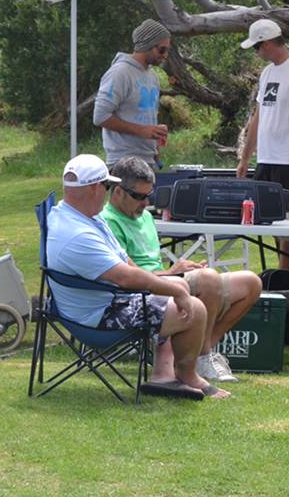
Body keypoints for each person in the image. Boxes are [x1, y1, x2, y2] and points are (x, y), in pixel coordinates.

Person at [46, 154, 227, 400]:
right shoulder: (78, 234)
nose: (108, 194)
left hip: (97, 300)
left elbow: (124, 261)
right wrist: (175, 291)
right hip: (97, 316)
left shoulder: (76, 216)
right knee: (194, 309)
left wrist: (170, 284)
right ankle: (187, 376)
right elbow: (124, 277)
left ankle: (163, 376)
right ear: (94, 188)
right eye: (106, 186)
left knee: (177, 285)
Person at [99, 156, 263, 384]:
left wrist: (175, 271)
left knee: (251, 283)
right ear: (118, 192)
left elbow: (151, 266)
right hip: (145, 290)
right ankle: (201, 359)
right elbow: (128, 276)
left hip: (166, 280)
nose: (146, 203)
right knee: (208, 278)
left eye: (149, 195)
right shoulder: (108, 222)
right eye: (139, 196)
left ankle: (206, 348)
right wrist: (172, 272)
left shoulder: (145, 216)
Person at [236, 18, 289, 268]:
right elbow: (258, 116)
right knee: (268, 218)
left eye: (256, 47)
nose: (257, 53)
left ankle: (284, 273)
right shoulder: (267, 72)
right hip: (266, 159)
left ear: (267, 43)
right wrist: (245, 157)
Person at [93, 19, 172, 167]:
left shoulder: (152, 76)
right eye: (162, 50)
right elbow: (100, 116)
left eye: (167, 50)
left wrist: (155, 143)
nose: (165, 55)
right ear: (147, 45)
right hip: (123, 162)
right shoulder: (120, 73)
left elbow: (147, 117)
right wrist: (142, 130)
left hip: (148, 162)